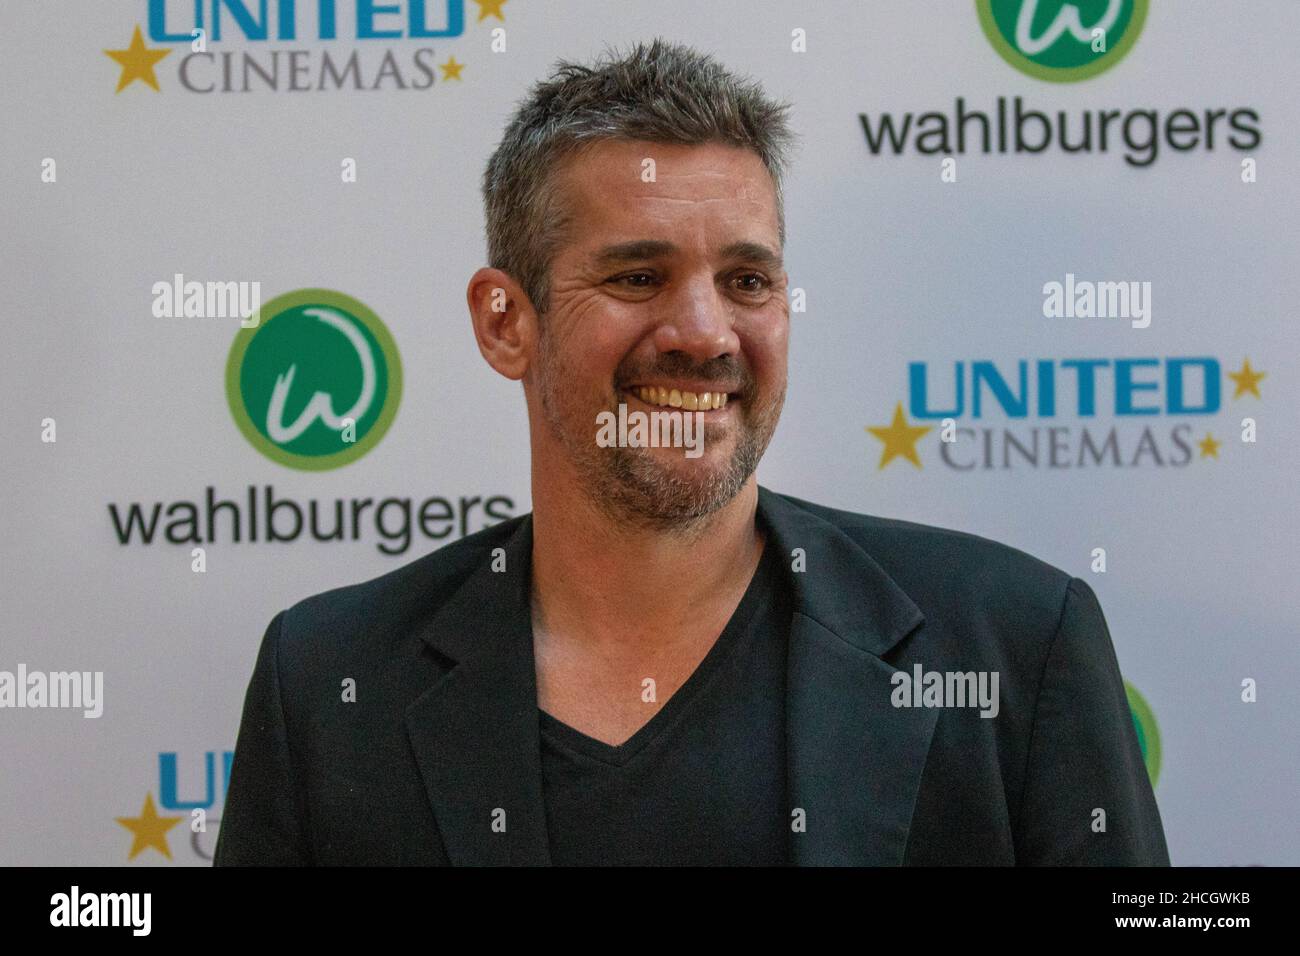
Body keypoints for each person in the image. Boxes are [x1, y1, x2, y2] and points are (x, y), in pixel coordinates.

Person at [215, 39, 1169, 866]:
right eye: (639, 275)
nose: (705, 333)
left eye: (746, 278)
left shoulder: (1013, 647)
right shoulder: (330, 684)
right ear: (506, 323)